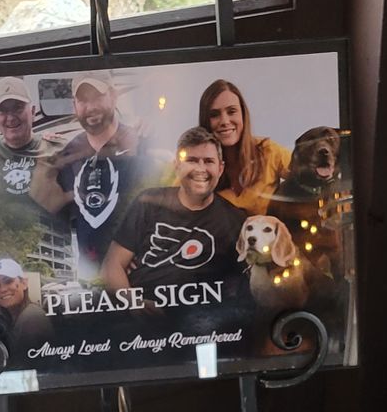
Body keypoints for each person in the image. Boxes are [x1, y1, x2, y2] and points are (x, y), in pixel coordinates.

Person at [47, 71, 166, 282]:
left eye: (98, 97)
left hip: (143, 279)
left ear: (113, 96)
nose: (91, 107)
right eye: (83, 100)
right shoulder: (66, 157)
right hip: (94, 288)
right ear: (74, 106)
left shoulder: (142, 144)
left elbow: (163, 214)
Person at [100, 128, 245, 297]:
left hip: (201, 320)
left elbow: (250, 281)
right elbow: (112, 265)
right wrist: (134, 303)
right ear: (177, 165)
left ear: (220, 169)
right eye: (192, 160)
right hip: (138, 314)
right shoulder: (148, 202)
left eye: (208, 161)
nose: (200, 169)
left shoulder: (235, 221)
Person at [0, 76, 69, 263]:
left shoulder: (58, 147)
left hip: (56, 262)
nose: (11, 117)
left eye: (18, 108)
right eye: (3, 111)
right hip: (5, 267)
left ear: (32, 111)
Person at [198, 78, 290, 214]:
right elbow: (173, 202)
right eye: (214, 114)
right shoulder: (199, 164)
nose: (224, 121)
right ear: (206, 121)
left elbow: (308, 178)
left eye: (231, 111)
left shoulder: (268, 151)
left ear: (243, 115)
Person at [0, 258, 52, 348]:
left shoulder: (32, 317)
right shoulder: (15, 318)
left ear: (24, 283)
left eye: (8, 281)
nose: (3, 289)